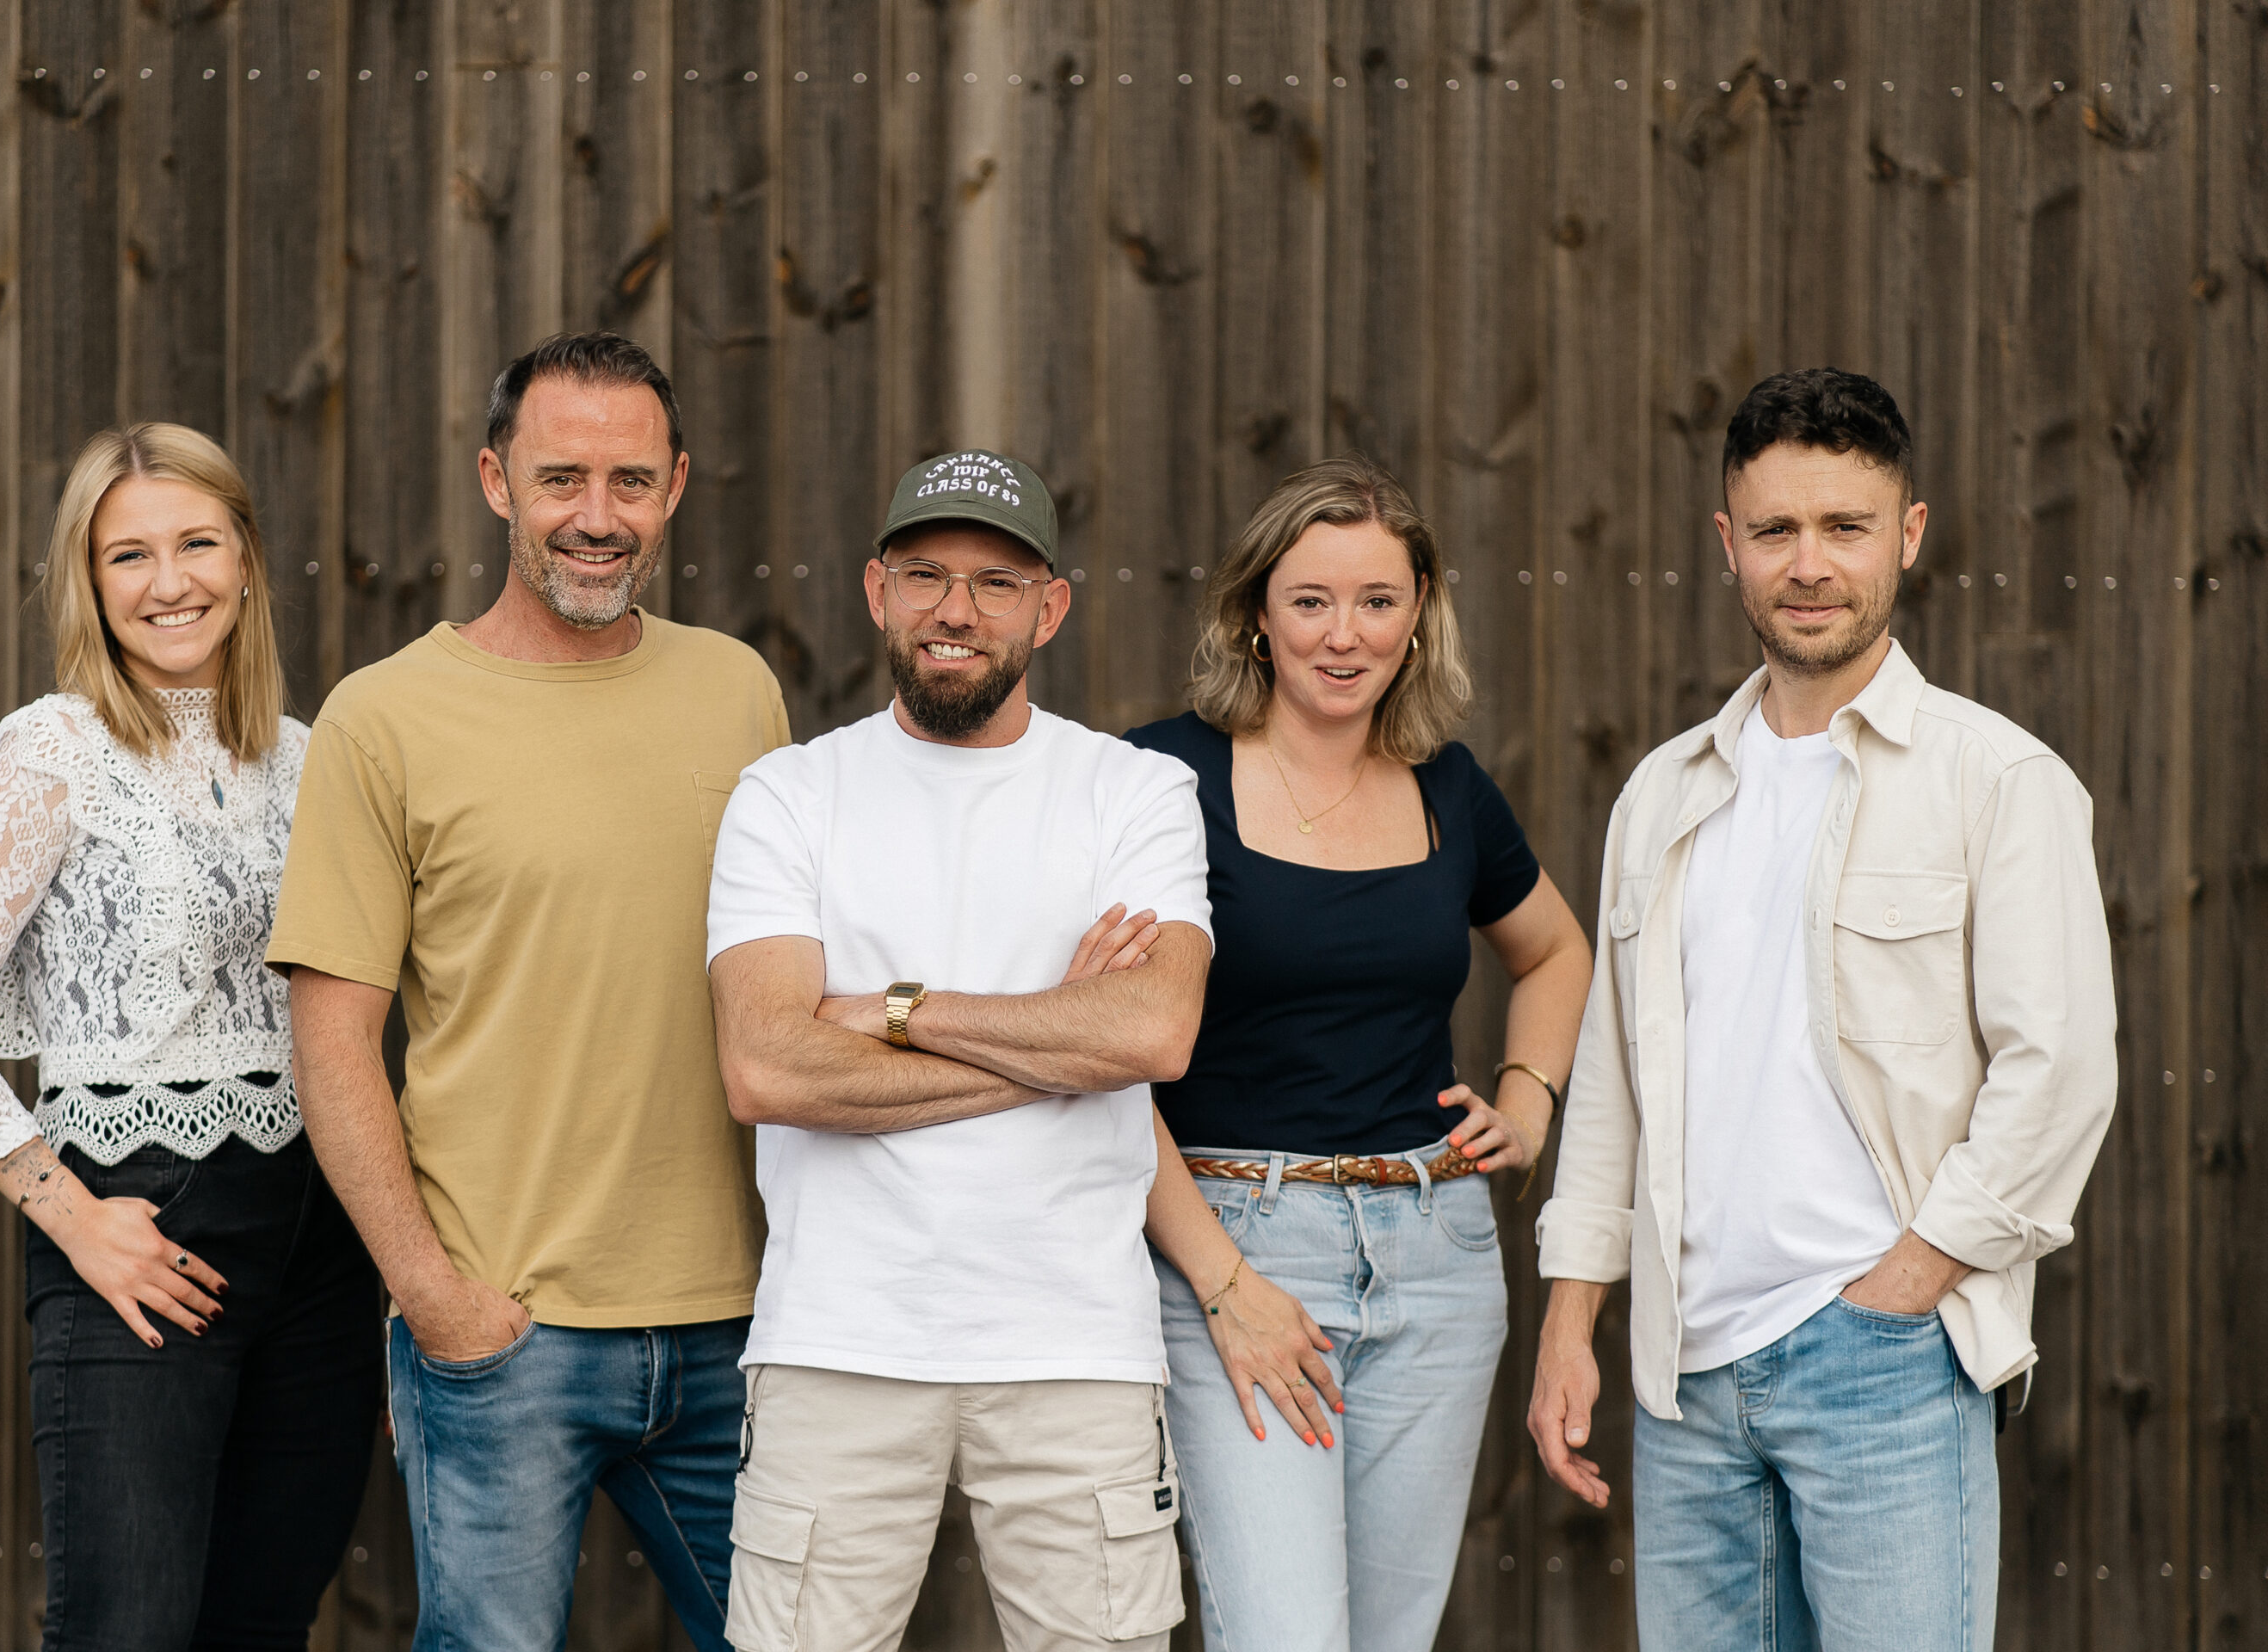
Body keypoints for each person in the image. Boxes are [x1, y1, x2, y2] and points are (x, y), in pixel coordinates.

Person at [1527, 367, 2117, 1651]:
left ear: (1907, 536)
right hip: (1683, 1382)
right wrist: (1571, 1319)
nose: (1811, 565)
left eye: (1846, 528)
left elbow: (2059, 1072)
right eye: (1778, 530)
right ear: (1727, 544)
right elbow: (1619, 1084)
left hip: (1885, 1364)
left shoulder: (1998, 780)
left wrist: (1908, 1285)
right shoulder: (1664, 795)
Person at [266, 333, 789, 1652]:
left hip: (740, 1321)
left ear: (676, 486)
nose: (596, 518)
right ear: (498, 481)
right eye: (562, 479)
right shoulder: (382, 719)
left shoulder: (740, 691)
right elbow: (333, 1044)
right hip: (507, 1336)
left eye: (629, 480)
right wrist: (436, 1298)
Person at [0, 424, 382, 1649]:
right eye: (129, 555)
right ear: (89, 582)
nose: (170, 584)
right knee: (126, 1628)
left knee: (260, 1623)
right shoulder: (50, 754)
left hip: (319, 1237)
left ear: (248, 558)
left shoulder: (312, 761)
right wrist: (70, 1213)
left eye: (198, 543)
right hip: (141, 1221)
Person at [706, 450, 1217, 1652]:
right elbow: (768, 1070)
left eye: (997, 582)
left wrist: (883, 1009)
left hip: (1076, 1346)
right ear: (878, 591)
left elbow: (1153, 1030)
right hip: (838, 1341)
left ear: (1051, 607)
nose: (957, 610)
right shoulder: (788, 795)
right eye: (928, 576)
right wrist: (1055, 1036)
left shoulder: (1134, 792)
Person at [1120, 453, 1593, 1652]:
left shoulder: (1448, 786)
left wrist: (1529, 1105)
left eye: (1378, 601)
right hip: (1237, 1245)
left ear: (1421, 610)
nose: (1345, 636)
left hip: (1435, 1258)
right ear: (1255, 613)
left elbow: (1555, 954)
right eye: (1311, 601)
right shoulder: (1157, 780)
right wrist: (1225, 1287)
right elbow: (1106, 1071)